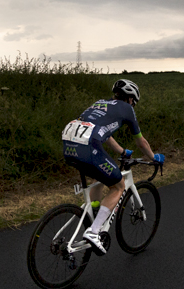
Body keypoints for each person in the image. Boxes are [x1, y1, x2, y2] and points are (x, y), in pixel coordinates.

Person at [61, 78, 164, 255]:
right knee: (118, 185)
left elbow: (104, 133)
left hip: (69, 142)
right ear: (131, 99)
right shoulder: (128, 109)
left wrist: (122, 151)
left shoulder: (101, 103)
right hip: (89, 144)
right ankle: (94, 232)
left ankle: (93, 210)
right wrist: (154, 157)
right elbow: (141, 142)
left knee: (100, 176)